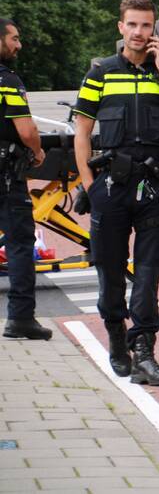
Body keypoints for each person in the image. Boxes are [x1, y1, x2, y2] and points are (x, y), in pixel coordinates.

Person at [73, 0, 159, 385]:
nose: (139, 33)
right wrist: (91, 187)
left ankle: (145, 351)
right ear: (121, 27)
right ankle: (117, 336)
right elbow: (82, 133)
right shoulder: (101, 72)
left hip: (155, 187)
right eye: (133, 25)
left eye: (147, 26)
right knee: (110, 275)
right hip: (111, 189)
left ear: (155, 30)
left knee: (149, 274)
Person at [0, 19, 48, 340]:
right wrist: (38, 151)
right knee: (19, 243)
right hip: (5, 174)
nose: (19, 45)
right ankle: (20, 318)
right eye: (14, 39)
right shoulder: (7, 80)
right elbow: (26, 129)